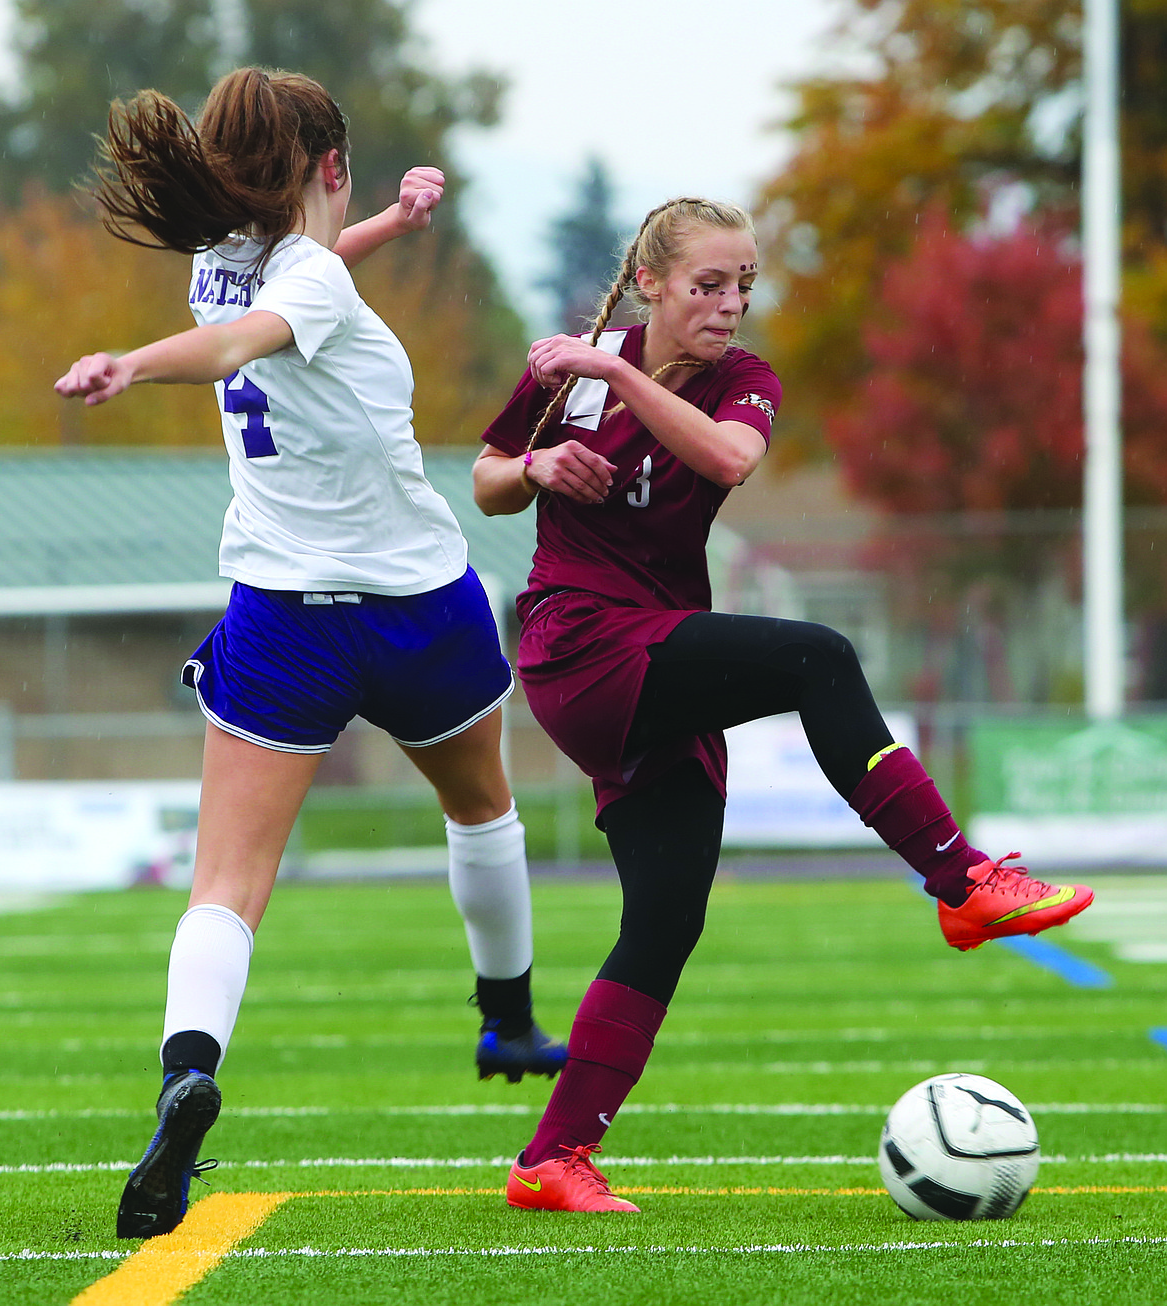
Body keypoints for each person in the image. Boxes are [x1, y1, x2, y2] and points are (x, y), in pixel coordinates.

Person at [473, 196, 1095, 1213]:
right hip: (578, 643)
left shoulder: (735, 381)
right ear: (650, 284)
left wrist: (617, 375)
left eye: (745, 285)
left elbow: (728, 459)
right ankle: (961, 879)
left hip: (652, 658)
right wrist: (537, 462)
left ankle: (552, 1158)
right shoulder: (584, 368)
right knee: (820, 658)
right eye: (709, 284)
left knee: (665, 920)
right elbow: (489, 480)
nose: (731, 304)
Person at [55, 67, 564, 1240]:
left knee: (227, 885)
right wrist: (137, 363)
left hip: (283, 616)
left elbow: (281, 296)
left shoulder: (223, 262)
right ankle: (508, 1019)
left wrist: (388, 222)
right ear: (328, 166)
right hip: (417, 608)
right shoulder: (301, 279)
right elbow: (261, 328)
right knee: (482, 811)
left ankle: (187, 1071)